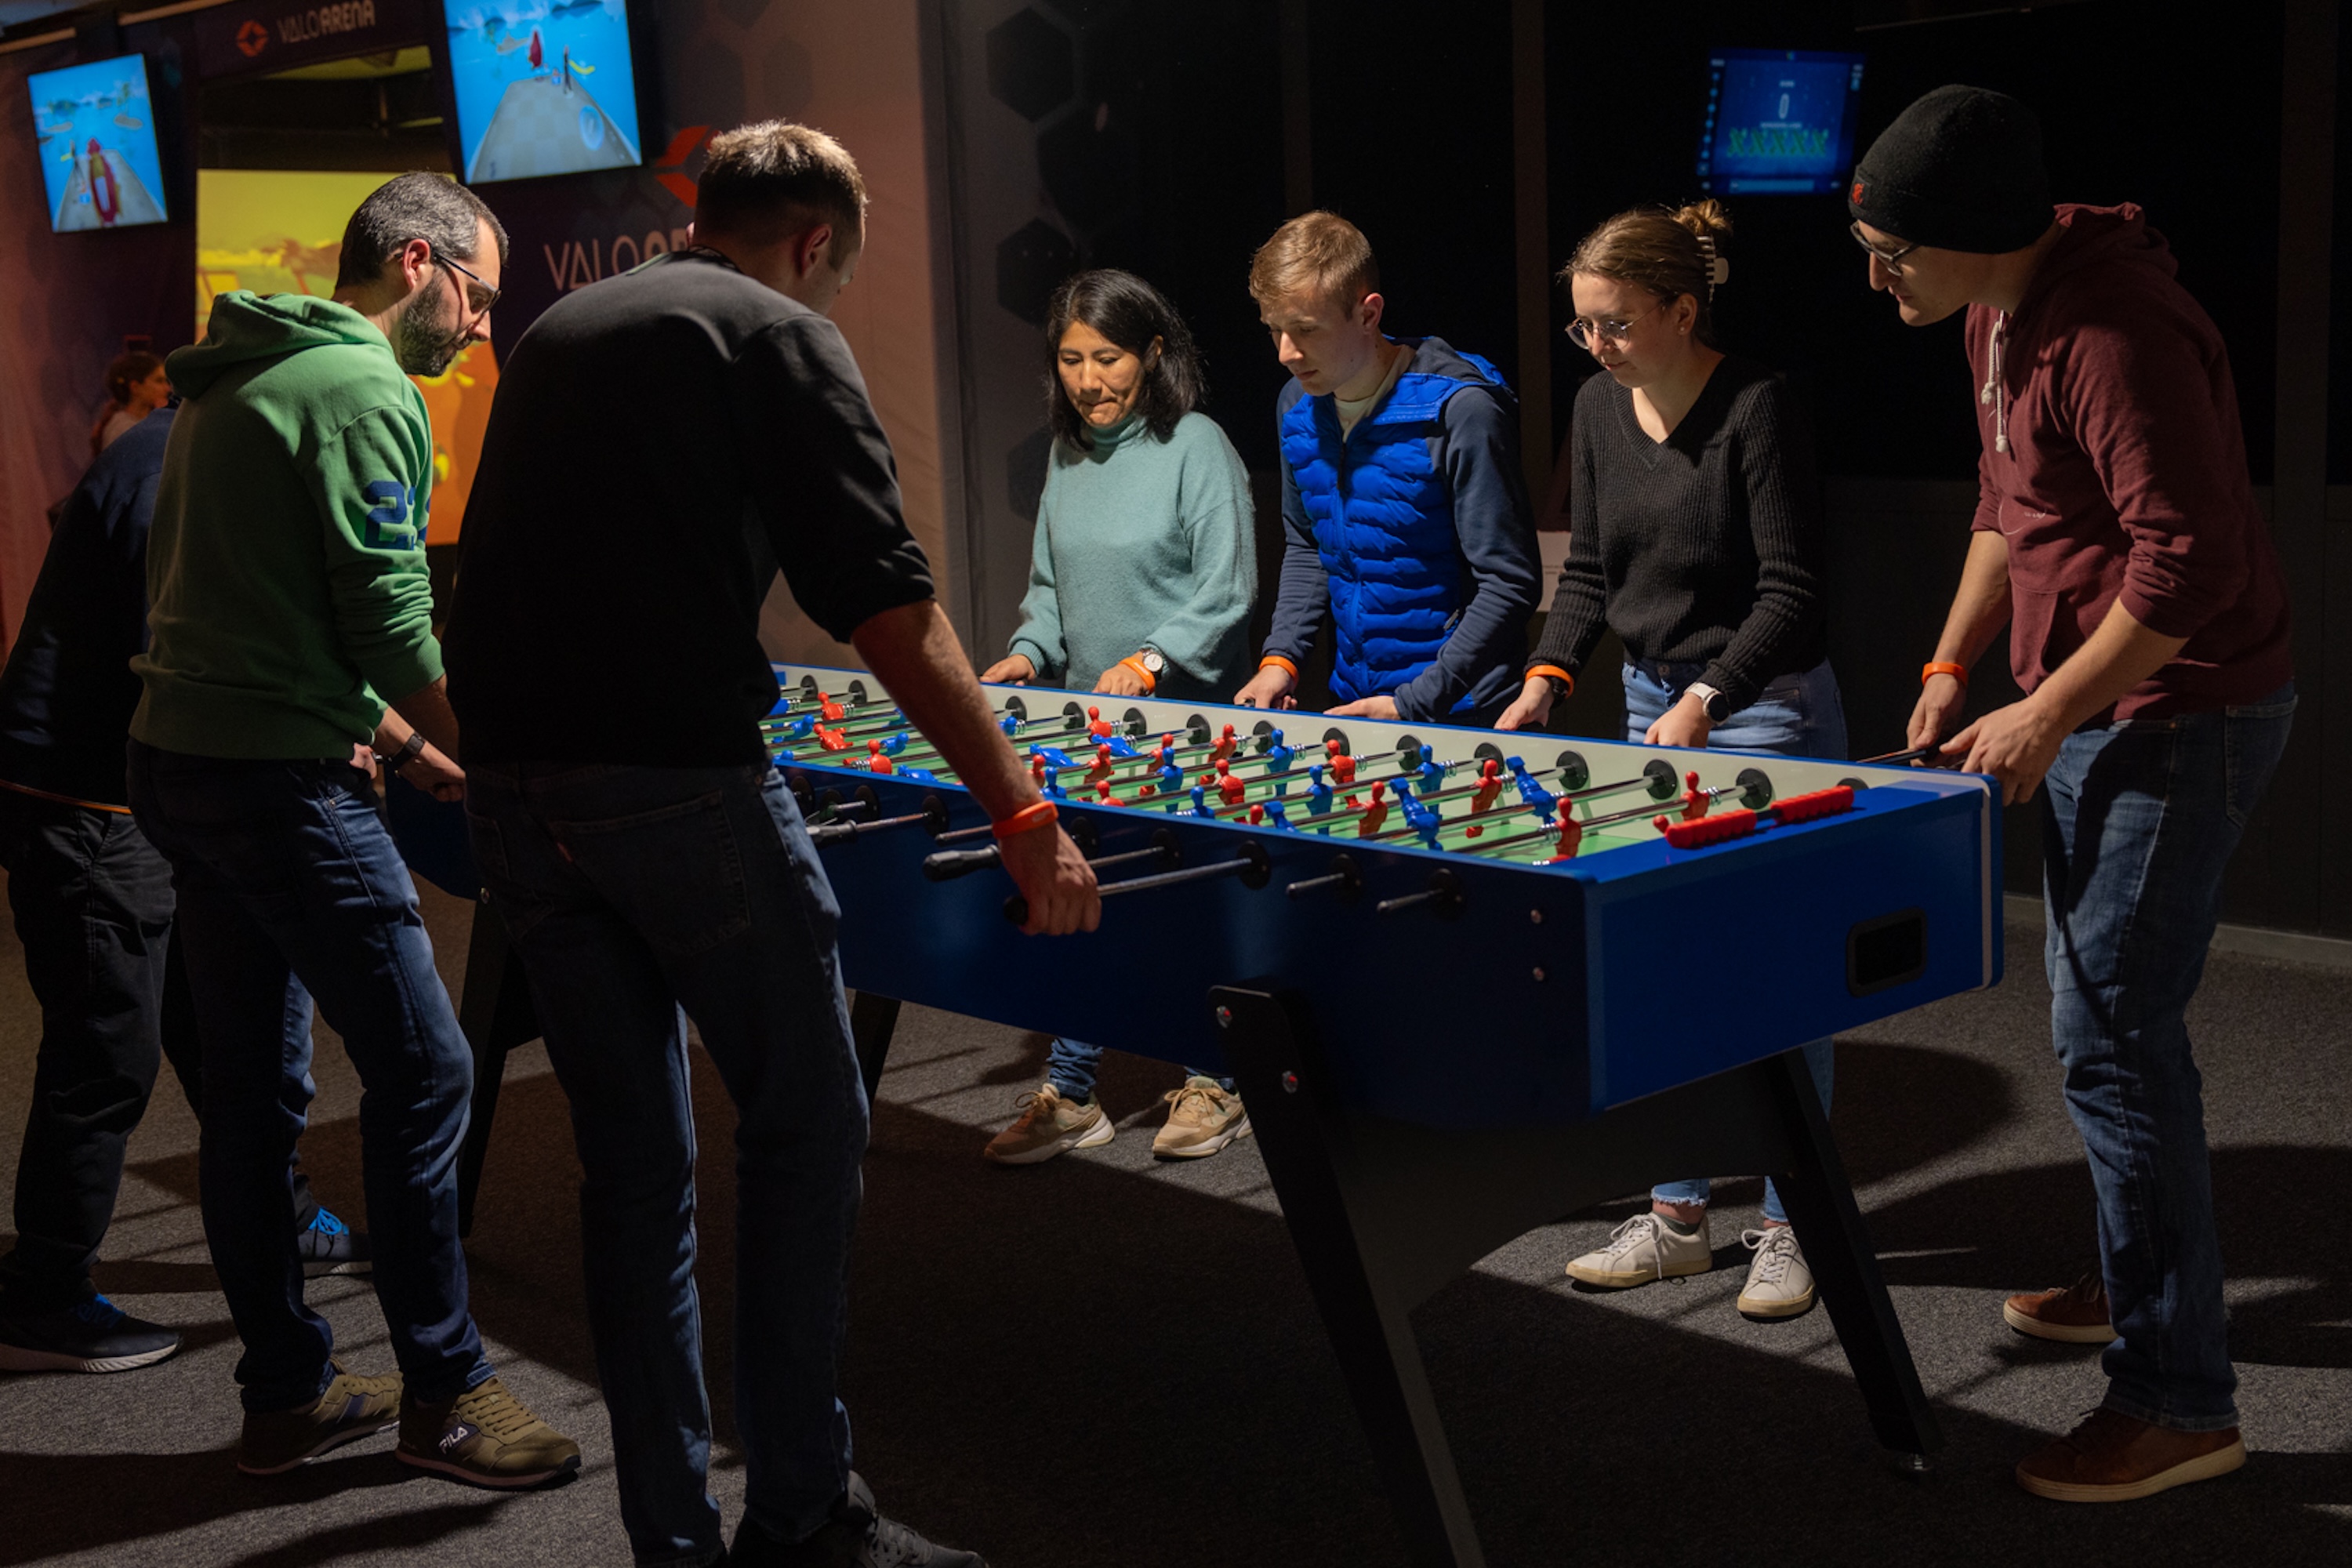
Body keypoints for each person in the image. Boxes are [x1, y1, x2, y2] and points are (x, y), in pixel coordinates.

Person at [445, 120, 1099, 1568]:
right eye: (837, 272)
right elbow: (886, 604)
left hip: (515, 790)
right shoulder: (779, 334)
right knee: (806, 1123)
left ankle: (670, 1537)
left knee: (632, 1167)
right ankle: (801, 1516)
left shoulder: (560, 331)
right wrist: (1024, 812)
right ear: (812, 243)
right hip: (677, 781)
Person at [1853, 85, 2293, 1501]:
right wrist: (1951, 661)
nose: (1878, 279)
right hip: (2105, 709)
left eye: (1892, 252)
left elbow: (2191, 564)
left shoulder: (2115, 332)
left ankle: (2180, 1401)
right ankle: (2137, 1274)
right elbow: (2009, 506)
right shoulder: (1994, 311)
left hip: (2181, 714)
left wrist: (2046, 708)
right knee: (2101, 1022)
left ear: (1972, 232)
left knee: (2112, 1033)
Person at [126, 172, 579, 1486]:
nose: (482, 330)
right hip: (280, 789)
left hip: (184, 763)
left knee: (253, 1098)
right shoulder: (367, 390)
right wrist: (503, 766)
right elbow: (386, 620)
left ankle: (285, 1393)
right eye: (479, 298)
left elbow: (262, 619)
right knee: (429, 1076)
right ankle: (447, 1393)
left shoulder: (233, 377)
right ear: (421, 262)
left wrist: (409, 747)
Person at [1494, 201, 1841, 1322]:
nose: (1595, 345)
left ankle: (1795, 1223)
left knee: (1779, 971)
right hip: (1656, 704)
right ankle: (1681, 1217)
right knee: (1668, 963)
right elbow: (1593, 572)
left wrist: (1707, 696)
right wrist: (1548, 675)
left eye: (1615, 323)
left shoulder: (1758, 407)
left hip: (1762, 707)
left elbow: (1792, 592)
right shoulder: (1599, 406)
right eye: (1582, 325)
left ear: (1683, 311)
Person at [0, 408, 367, 1377]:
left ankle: (281, 1210)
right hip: (88, 802)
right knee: (105, 1052)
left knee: (213, 1027)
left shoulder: (189, 445)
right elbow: (188, 652)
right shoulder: (176, 468)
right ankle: (40, 1294)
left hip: (132, 792)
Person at [976, 267, 1257, 1165]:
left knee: (1191, 912)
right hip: (1095, 736)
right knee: (1082, 906)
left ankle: (1214, 1079)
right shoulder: (1067, 457)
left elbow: (1228, 590)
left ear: (1154, 353)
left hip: (1188, 733)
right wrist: (1028, 649)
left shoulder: (1197, 445)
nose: (1089, 380)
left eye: (1108, 358)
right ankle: (1071, 1091)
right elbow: (1050, 591)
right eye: (1071, 360)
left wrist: (1151, 657)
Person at [1231, 212, 1541, 724]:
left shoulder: (1460, 411)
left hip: (1466, 708)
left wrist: (1415, 702)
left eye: (1305, 330)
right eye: (1275, 330)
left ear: (1368, 313)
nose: (1286, 352)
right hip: (1358, 697)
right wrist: (1280, 658)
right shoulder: (1296, 404)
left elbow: (1509, 583)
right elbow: (1309, 546)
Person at [89, 350, 169, 458]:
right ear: (135, 387)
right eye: (159, 381)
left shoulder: (148, 422)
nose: (167, 388)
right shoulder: (122, 428)